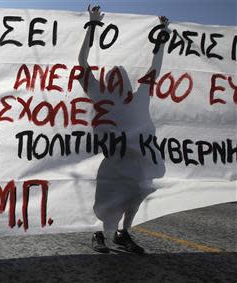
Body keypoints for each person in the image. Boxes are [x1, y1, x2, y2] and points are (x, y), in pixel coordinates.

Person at [78, 5, 168, 254]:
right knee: (105, 202)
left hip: (137, 163)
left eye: (121, 77)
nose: (117, 79)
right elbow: (82, 61)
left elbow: (155, 69)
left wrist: (162, 34)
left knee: (136, 196)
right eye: (112, 76)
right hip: (111, 164)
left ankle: (123, 234)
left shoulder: (140, 97)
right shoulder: (99, 94)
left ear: (128, 82)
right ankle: (98, 234)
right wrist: (93, 24)